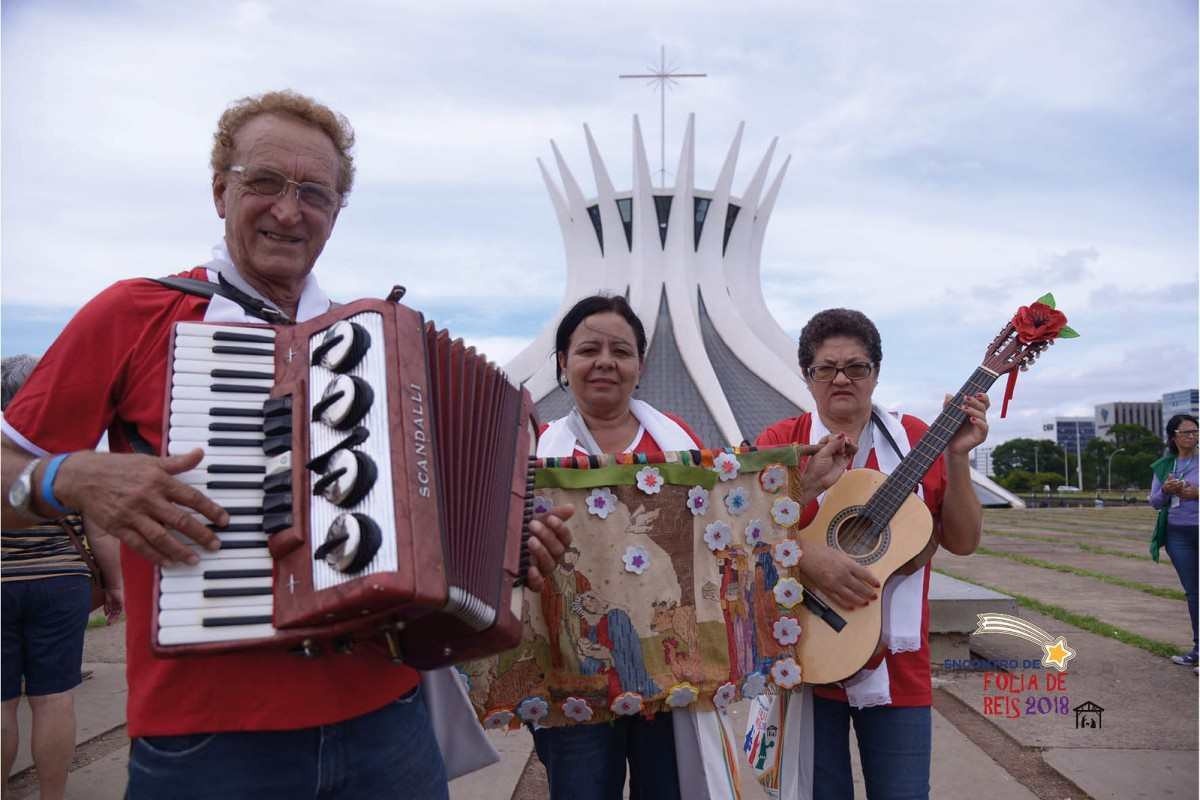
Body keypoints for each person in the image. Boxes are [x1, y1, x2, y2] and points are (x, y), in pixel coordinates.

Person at [0, 90, 573, 799]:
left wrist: (514, 544)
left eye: (314, 193)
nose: (287, 210)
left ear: (335, 214)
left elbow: (443, 517)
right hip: (207, 738)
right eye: (263, 182)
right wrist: (68, 478)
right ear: (220, 190)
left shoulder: (377, 352)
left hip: (386, 721)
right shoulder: (136, 314)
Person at [533, 294, 854, 800]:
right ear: (562, 363)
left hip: (670, 673)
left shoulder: (675, 442)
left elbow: (728, 519)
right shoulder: (537, 454)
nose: (604, 362)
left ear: (639, 365)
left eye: (621, 350)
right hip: (576, 675)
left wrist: (802, 488)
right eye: (587, 349)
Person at [757, 308, 988, 800]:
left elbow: (963, 541)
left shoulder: (920, 440)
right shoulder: (781, 444)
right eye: (826, 368)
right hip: (804, 653)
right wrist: (808, 556)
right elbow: (744, 534)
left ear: (876, 374)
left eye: (857, 367)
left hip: (897, 663)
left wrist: (959, 457)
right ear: (808, 376)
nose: (842, 378)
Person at [1, 355, 122, 800]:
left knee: (2, 702)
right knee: (54, 697)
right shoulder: (68, 458)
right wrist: (115, 586)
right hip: (60, 583)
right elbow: (101, 529)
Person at [1150, 413, 1199, 668]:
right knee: (1194, 593)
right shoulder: (1164, 465)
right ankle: (1198, 648)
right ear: (1174, 437)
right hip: (1177, 533)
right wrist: (1166, 491)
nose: (1192, 436)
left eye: (1195, 431)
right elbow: (1155, 502)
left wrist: (1196, 493)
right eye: (1186, 432)